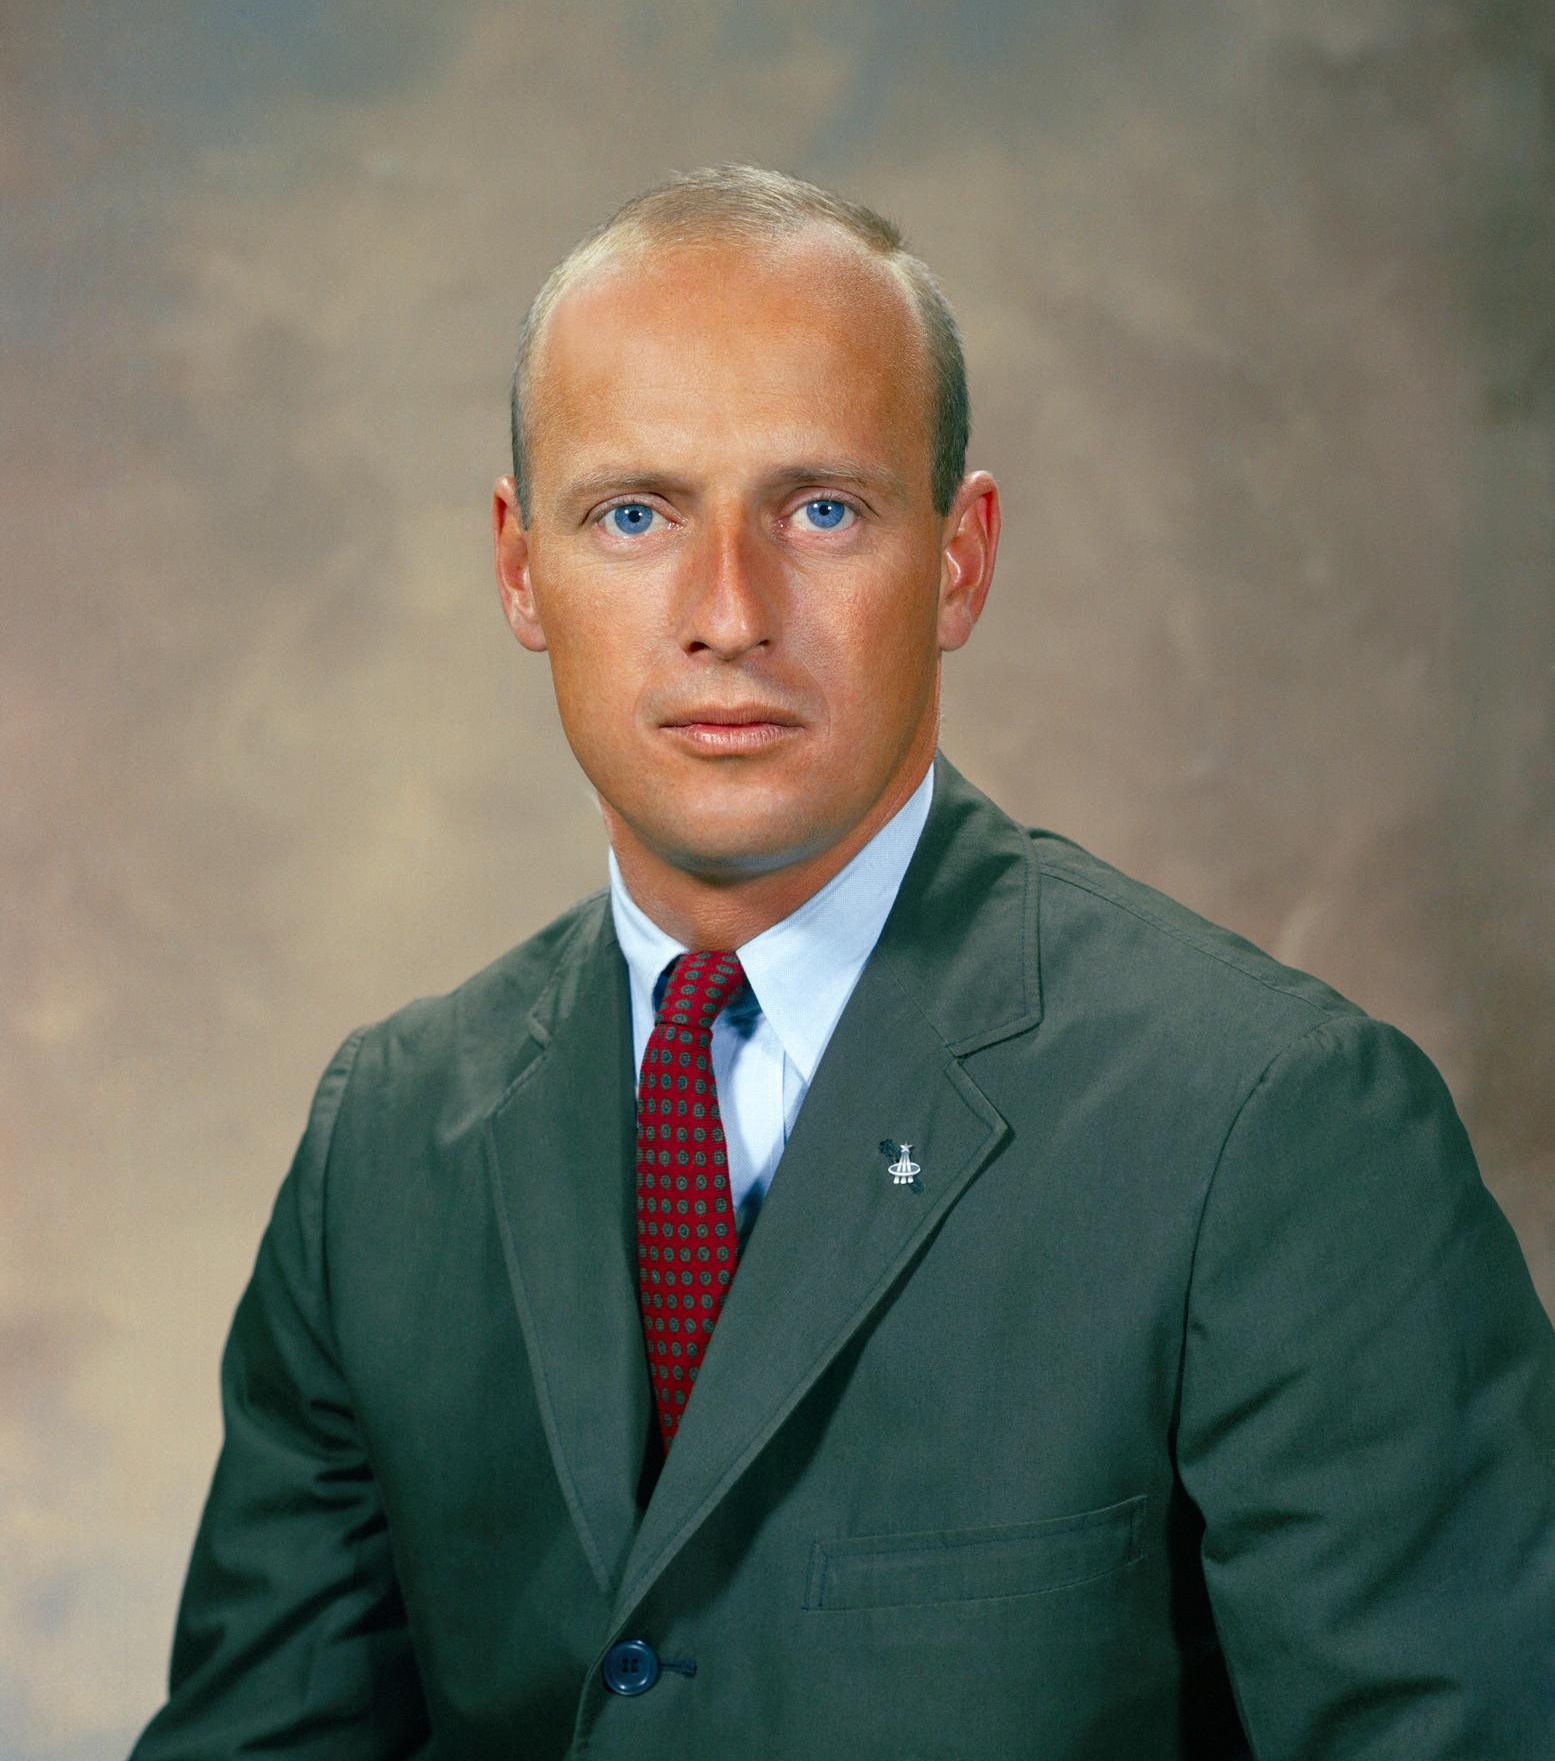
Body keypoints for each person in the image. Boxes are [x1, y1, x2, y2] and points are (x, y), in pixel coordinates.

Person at [132, 165, 1555, 1759]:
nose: (729, 612)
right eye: (633, 513)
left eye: (821, 508)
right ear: (521, 572)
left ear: (958, 558)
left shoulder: (1275, 1129)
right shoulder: (383, 1144)